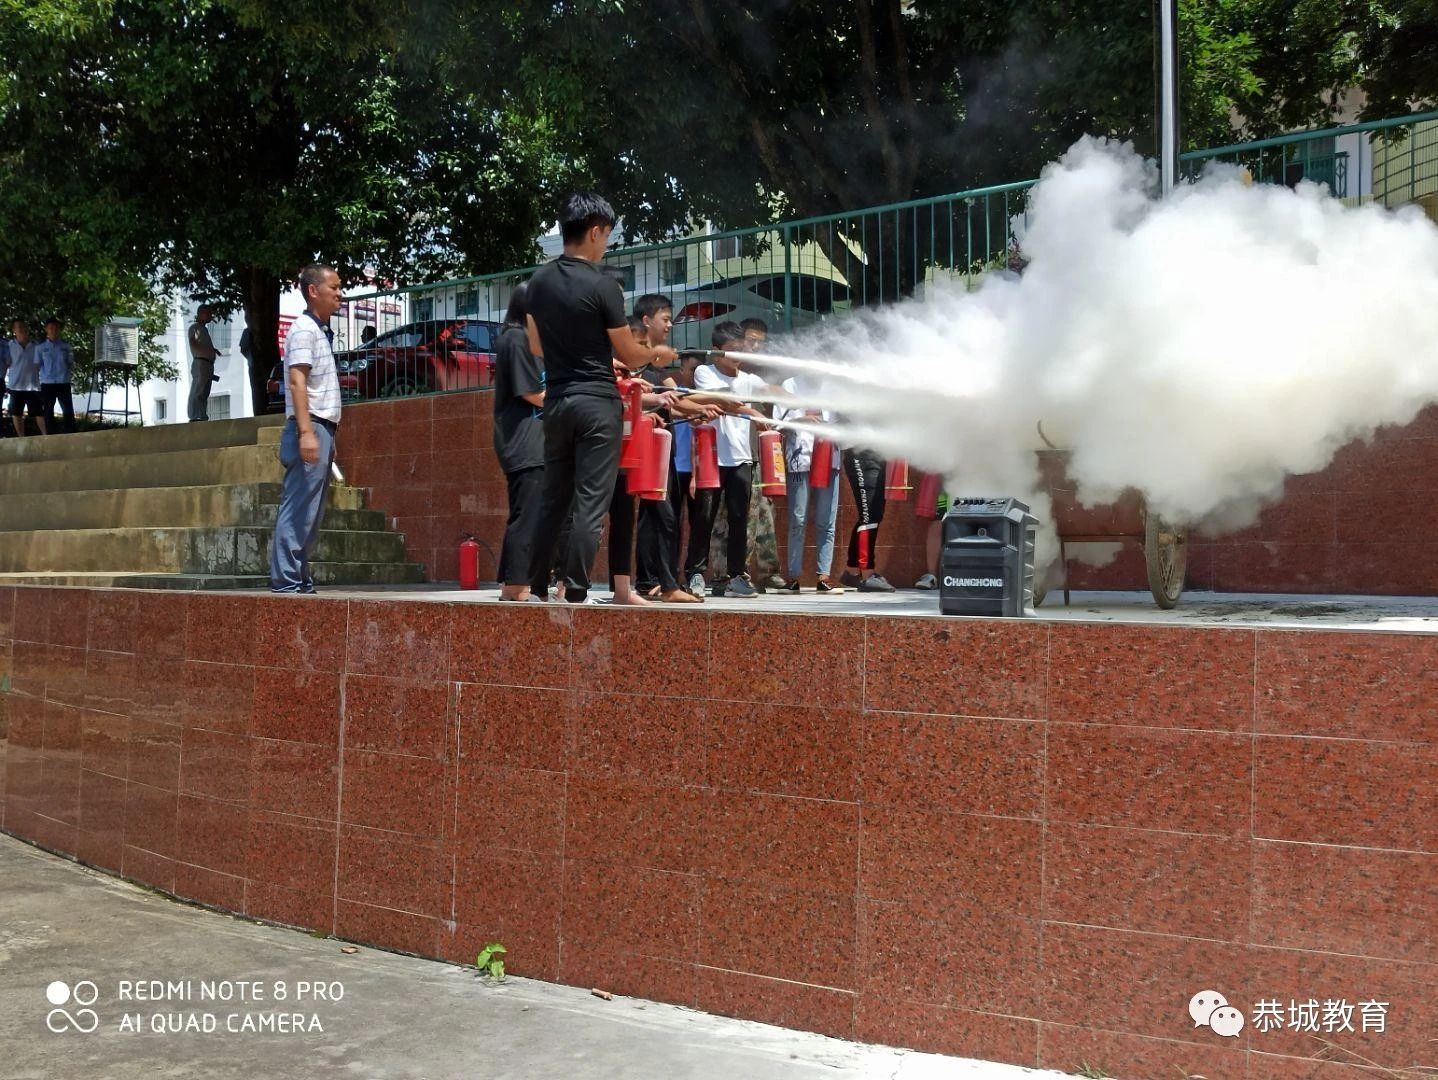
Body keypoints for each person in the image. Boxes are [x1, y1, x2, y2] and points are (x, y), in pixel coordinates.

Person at [525, 193, 678, 605]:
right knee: (592, 501)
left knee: (554, 498)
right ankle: (575, 588)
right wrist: (656, 356)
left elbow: (536, 345)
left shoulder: (537, 282)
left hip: (556, 402)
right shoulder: (603, 284)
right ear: (595, 231)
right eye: (607, 235)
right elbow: (630, 355)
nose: (607, 243)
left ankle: (537, 585)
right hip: (596, 404)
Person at [630, 294, 714, 603]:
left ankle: (654, 582)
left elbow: (677, 399)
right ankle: (658, 583)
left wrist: (712, 405)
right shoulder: (631, 361)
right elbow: (669, 401)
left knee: (657, 517)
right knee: (659, 516)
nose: (670, 325)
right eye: (665, 319)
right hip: (641, 450)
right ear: (646, 321)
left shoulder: (659, 370)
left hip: (660, 451)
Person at [686, 321, 776, 598]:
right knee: (704, 518)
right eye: (733, 349)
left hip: (740, 459)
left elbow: (771, 390)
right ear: (717, 350)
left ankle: (737, 576)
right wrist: (754, 412)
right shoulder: (704, 372)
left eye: (742, 349)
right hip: (712, 457)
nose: (739, 355)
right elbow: (722, 400)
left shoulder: (748, 379)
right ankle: (696, 575)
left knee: (740, 519)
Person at [269, 265, 344, 594]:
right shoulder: (303, 330)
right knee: (299, 507)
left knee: (310, 512)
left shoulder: (318, 331)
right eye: (334, 287)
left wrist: (326, 436)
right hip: (310, 425)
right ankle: (287, 583)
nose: (339, 293)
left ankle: (299, 580)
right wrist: (307, 432)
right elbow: (297, 381)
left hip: (320, 426)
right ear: (313, 291)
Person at [492, 284, 546, 601]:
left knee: (530, 512)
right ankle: (515, 584)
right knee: (527, 512)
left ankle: (512, 581)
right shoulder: (515, 338)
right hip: (523, 441)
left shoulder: (531, 342)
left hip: (535, 439)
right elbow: (530, 393)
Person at [774, 375, 843, 593]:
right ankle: (794, 577)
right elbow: (776, 424)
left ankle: (824, 577)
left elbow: (847, 423)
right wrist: (801, 421)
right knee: (798, 518)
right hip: (799, 459)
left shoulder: (834, 386)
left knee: (826, 520)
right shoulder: (790, 385)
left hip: (828, 458)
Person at [839, 444, 896, 591]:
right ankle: (867, 574)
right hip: (861, 452)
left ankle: (852, 570)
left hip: (878, 454)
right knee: (869, 515)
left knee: (874, 514)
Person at [6, 319, 45, 437]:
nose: (22, 329)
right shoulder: (9, 346)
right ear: (14, 330)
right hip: (15, 386)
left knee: (39, 413)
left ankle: (46, 437)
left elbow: (41, 364)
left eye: (24, 326)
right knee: (17, 414)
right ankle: (21, 439)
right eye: (19, 327)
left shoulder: (36, 346)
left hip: (33, 386)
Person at [37, 318, 76, 433]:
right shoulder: (40, 348)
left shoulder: (66, 346)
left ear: (59, 330)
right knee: (48, 411)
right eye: (51, 328)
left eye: (56, 328)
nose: (53, 330)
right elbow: (37, 366)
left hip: (63, 382)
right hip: (47, 384)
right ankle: (51, 436)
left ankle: (71, 435)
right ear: (46, 329)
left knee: (68, 411)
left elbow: (71, 363)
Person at [187, 304, 222, 421]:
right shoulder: (194, 327)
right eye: (208, 314)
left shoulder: (204, 329)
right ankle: (194, 415)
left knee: (205, 391)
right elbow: (193, 342)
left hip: (208, 364)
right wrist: (203, 350)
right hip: (200, 363)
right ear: (201, 314)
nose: (210, 317)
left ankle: (202, 415)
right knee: (198, 389)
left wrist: (212, 350)